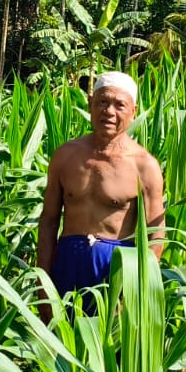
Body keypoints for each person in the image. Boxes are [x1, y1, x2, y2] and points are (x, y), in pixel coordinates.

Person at [36, 71, 165, 308]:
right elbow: (48, 221)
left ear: (133, 111)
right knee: (57, 338)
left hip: (115, 270)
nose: (109, 111)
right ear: (90, 104)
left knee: (105, 343)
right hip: (66, 263)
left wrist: (134, 291)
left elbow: (155, 234)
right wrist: (42, 281)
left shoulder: (144, 165)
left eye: (120, 105)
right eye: (102, 102)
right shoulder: (66, 156)